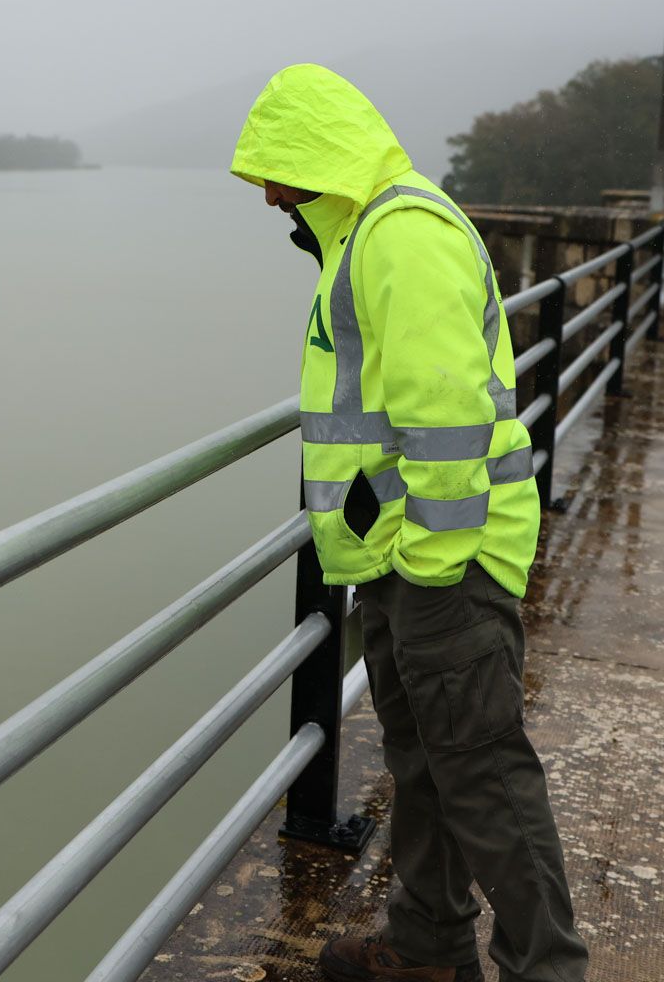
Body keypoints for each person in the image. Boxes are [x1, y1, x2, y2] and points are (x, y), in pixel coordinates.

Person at [230, 65, 589, 982]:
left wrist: (429, 567)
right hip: (403, 551)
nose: (267, 193)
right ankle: (428, 944)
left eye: (274, 169)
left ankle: (548, 970)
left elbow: (447, 413)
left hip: (446, 558)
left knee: (485, 775)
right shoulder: (361, 235)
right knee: (427, 765)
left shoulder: (401, 234)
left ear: (318, 158)